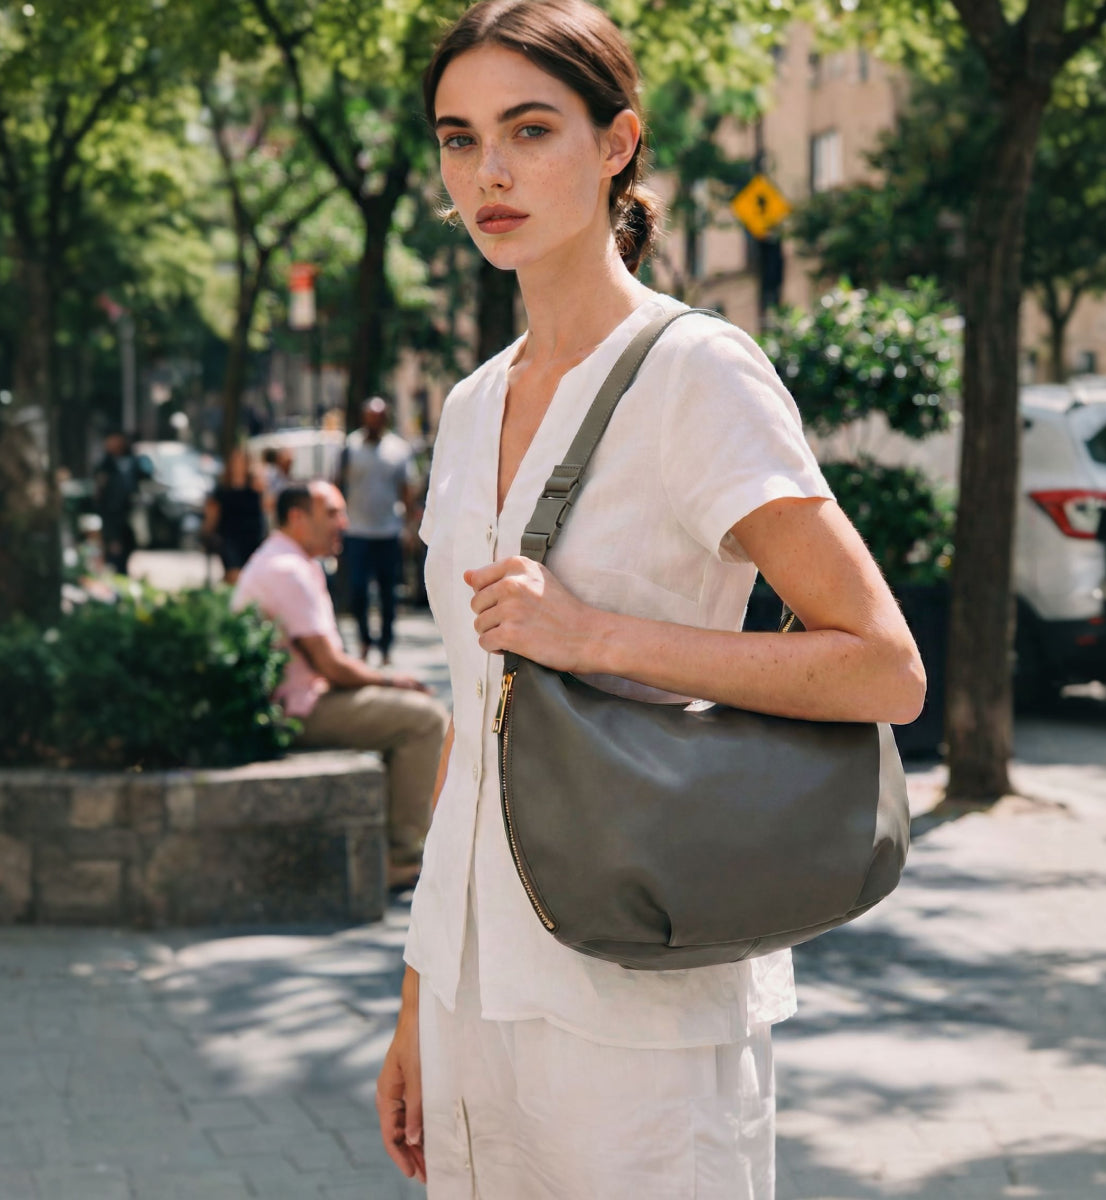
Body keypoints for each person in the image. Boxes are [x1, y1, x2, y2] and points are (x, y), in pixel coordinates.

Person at [374, 2, 926, 1195]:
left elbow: (884, 666)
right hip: (475, 991)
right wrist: (418, 1002)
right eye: (460, 139)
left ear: (616, 143)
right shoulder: (469, 407)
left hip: (642, 991)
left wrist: (593, 637)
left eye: (531, 130)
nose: (490, 173)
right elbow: (476, 714)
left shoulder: (697, 372)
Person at [233, 482, 450, 888]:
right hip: (294, 711)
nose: (345, 523)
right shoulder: (287, 570)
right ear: (297, 518)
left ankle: (404, 846)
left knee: (412, 713)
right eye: (332, 513)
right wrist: (392, 681)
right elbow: (330, 665)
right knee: (424, 720)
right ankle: (401, 857)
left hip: (300, 699)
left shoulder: (287, 560)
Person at [338, 398, 415, 663]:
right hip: (356, 531)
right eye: (370, 417)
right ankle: (364, 640)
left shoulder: (398, 449)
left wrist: (410, 528)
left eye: (379, 417)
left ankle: (385, 645)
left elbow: (406, 490)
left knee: (388, 594)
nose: (374, 422)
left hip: (388, 532)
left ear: (385, 419)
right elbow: (338, 484)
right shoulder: (350, 447)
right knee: (358, 590)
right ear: (363, 418)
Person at [203, 446, 266, 585]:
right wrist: (207, 534)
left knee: (249, 576)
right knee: (234, 574)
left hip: (252, 537)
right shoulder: (222, 488)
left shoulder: (255, 486)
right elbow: (213, 513)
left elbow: (266, 508)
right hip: (230, 537)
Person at [93, 431, 144, 575]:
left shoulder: (132, 460)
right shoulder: (106, 464)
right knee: (113, 547)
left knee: (127, 544)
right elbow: (100, 490)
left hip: (128, 511)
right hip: (110, 512)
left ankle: (122, 573)